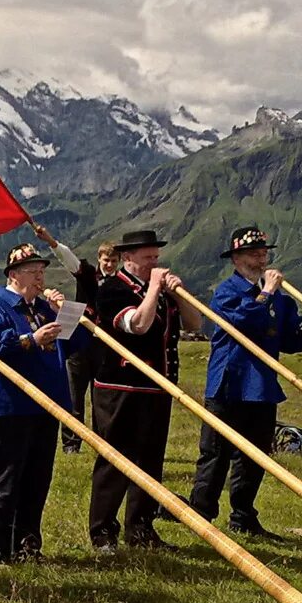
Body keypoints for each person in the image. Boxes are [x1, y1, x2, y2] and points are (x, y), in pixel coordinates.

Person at [189, 227, 302, 538]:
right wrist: (268, 292)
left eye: (263, 253)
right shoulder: (226, 292)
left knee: (255, 455)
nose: (261, 258)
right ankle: (200, 513)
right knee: (215, 454)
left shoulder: (280, 300)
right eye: (253, 253)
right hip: (228, 384)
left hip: (260, 386)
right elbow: (246, 321)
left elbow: (289, 340)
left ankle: (243, 517)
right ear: (236, 259)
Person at [0, 244, 88, 563]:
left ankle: (26, 546)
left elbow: (77, 342)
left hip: (44, 405)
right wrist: (33, 340)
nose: (39, 277)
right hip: (7, 407)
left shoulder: (43, 309)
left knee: (37, 479)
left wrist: (68, 310)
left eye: (42, 271)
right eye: (32, 272)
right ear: (14, 275)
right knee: (5, 480)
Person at [89, 228, 201, 552]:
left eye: (156, 257)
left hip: (157, 387)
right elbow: (137, 325)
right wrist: (153, 289)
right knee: (115, 460)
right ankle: (102, 532)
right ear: (128, 258)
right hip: (120, 387)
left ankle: (141, 528)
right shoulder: (112, 289)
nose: (155, 263)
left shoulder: (163, 293)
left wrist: (179, 294)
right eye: (147, 257)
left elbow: (194, 325)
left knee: (150, 460)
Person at [32, 223, 117, 454]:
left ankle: (103, 442)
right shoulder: (88, 273)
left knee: (102, 395)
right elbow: (69, 259)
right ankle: (71, 443)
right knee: (73, 395)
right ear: (99, 259)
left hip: (106, 344)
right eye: (106, 260)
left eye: (113, 261)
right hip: (79, 341)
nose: (109, 265)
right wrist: (50, 241)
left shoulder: (121, 283)